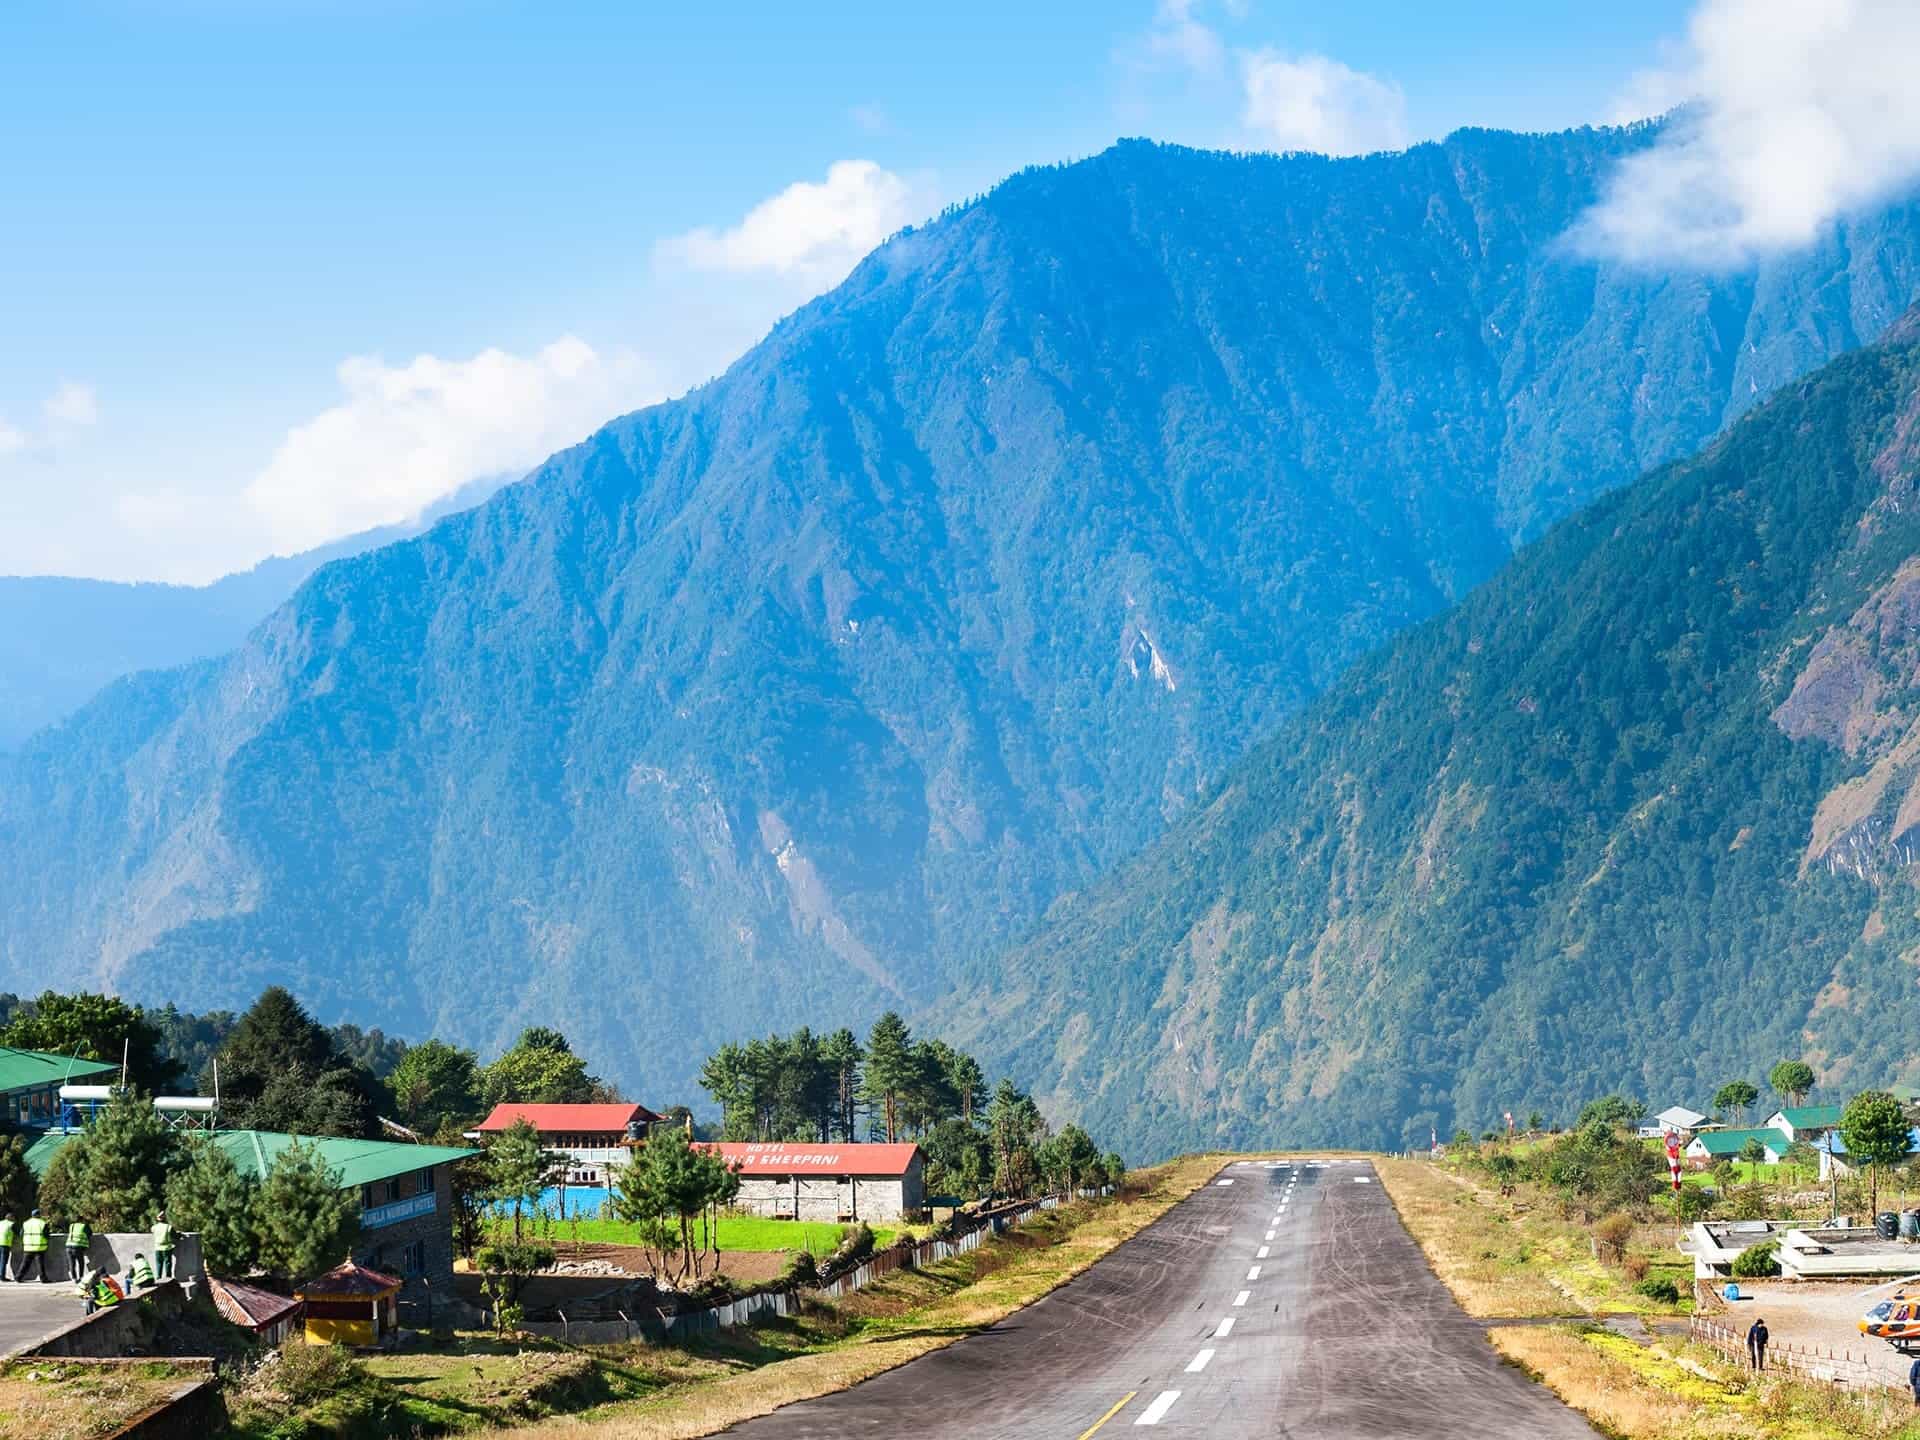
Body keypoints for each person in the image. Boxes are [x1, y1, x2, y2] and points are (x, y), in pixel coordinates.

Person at [18, 1209, 49, 1283]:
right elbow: (46, 1235)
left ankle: (18, 1277)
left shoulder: (26, 1223)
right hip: (39, 1247)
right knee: (40, 1264)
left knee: (25, 1264)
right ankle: (43, 1279)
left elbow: (21, 1234)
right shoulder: (42, 1223)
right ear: (38, 1215)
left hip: (28, 1247)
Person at [150, 1210, 175, 1282]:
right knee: (167, 1263)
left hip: (157, 1248)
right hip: (167, 1248)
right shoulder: (168, 1227)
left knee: (159, 1263)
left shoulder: (154, 1227)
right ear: (165, 1218)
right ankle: (168, 1277)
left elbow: (152, 1232)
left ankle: (158, 1277)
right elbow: (175, 1235)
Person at [65, 1215, 90, 1282]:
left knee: (72, 1264)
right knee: (81, 1263)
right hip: (77, 1247)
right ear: (82, 1220)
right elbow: (89, 1233)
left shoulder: (71, 1226)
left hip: (68, 1246)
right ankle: (81, 1277)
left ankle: (74, 1278)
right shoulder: (84, 1226)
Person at [0, 1212, 14, 1282]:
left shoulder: (0, 1223)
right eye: (13, 1218)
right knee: (3, 1261)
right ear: (10, 1218)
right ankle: (2, 1277)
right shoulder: (11, 1224)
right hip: (5, 1244)